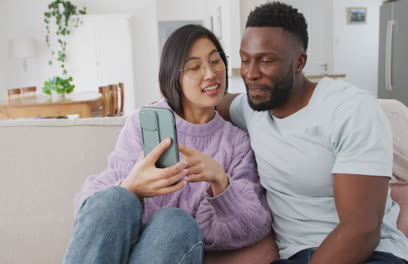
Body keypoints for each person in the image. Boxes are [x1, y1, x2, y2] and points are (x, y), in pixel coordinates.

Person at [217, 2, 408, 264]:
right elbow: (208, 101)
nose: (250, 74)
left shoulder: (350, 110)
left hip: (368, 254)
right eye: (245, 60)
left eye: (266, 60)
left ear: (299, 62)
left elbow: (362, 229)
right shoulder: (253, 107)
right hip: (296, 255)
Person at [63, 24, 272, 264]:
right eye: (195, 67)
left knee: (175, 222)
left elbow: (254, 225)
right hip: (121, 247)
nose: (210, 73)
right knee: (115, 198)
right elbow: (93, 205)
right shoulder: (144, 123)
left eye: (215, 61)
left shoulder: (236, 143)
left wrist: (220, 182)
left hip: (173, 248)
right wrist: (132, 186)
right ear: (174, 76)